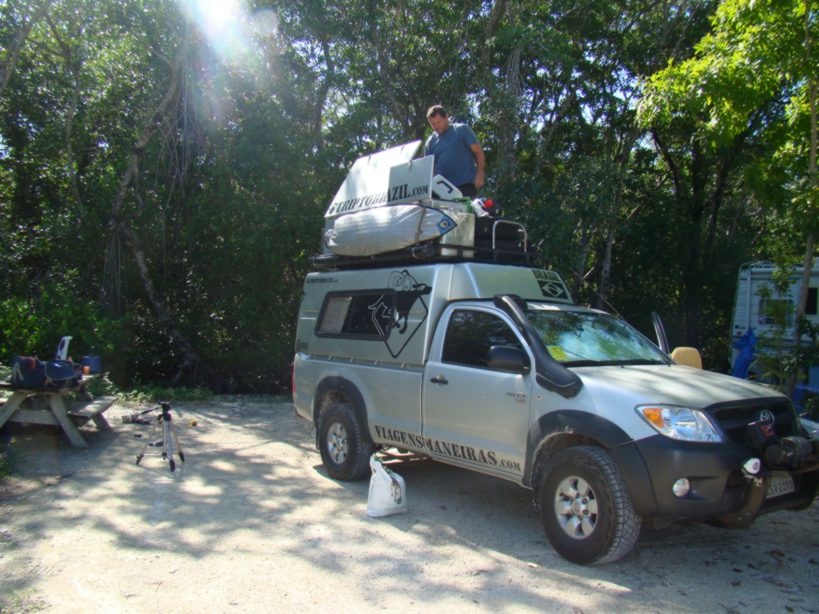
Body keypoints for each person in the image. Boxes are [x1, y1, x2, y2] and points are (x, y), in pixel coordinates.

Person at [424, 105, 485, 198]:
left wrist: (480, 173)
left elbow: (478, 152)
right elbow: (429, 170)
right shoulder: (430, 142)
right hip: (442, 191)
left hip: (465, 185)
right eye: (433, 124)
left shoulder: (461, 130)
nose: (436, 126)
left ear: (446, 117)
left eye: (439, 122)